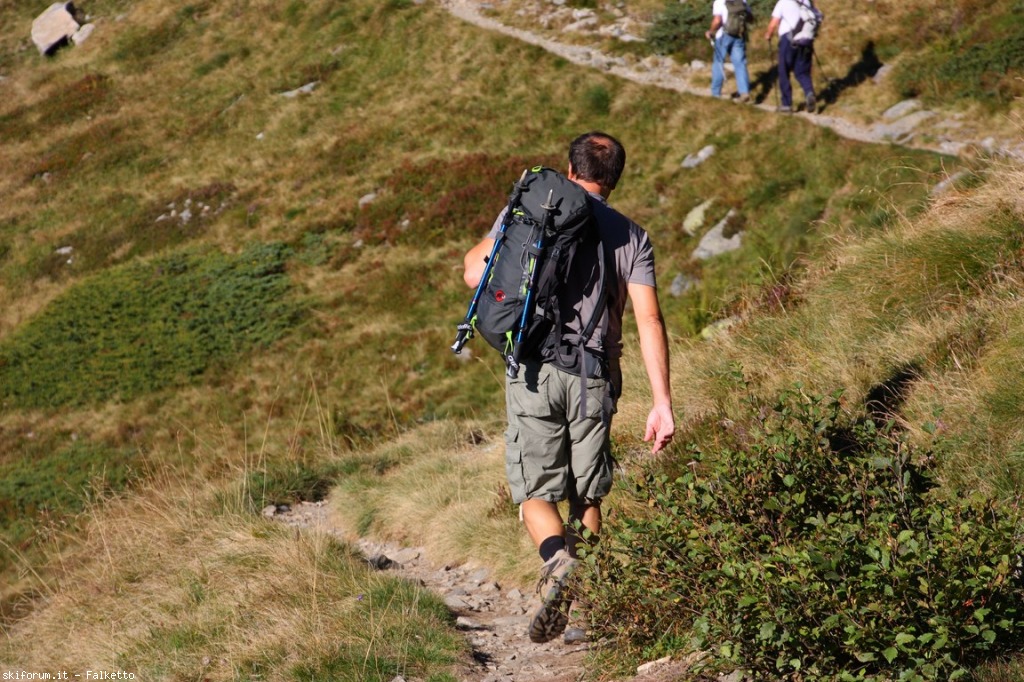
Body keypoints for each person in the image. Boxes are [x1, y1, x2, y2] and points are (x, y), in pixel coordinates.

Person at [462, 132, 675, 644]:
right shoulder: (632, 236)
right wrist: (662, 402)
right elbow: (649, 319)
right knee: (587, 491)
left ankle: (557, 561)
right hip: (595, 376)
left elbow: (474, 273)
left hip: (534, 371)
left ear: (570, 167)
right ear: (615, 178)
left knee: (534, 490)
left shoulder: (532, 209)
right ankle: (586, 603)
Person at [764, 0, 816, 113]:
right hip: (806, 41)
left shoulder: (783, 2)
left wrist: (768, 34)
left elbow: (774, 22)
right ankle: (809, 92)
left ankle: (786, 104)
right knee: (802, 72)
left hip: (788, 40)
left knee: (783, 70)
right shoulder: (807, 1)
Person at [705, 0, 752, 103]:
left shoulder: (719, 1)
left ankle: (716, 93)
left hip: (724, 35)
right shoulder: (743, 0)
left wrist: (711, 31)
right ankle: (744, 92)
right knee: (740, 63)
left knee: (718, 62)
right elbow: (750, 16)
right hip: (739, 35)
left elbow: (717, 20)